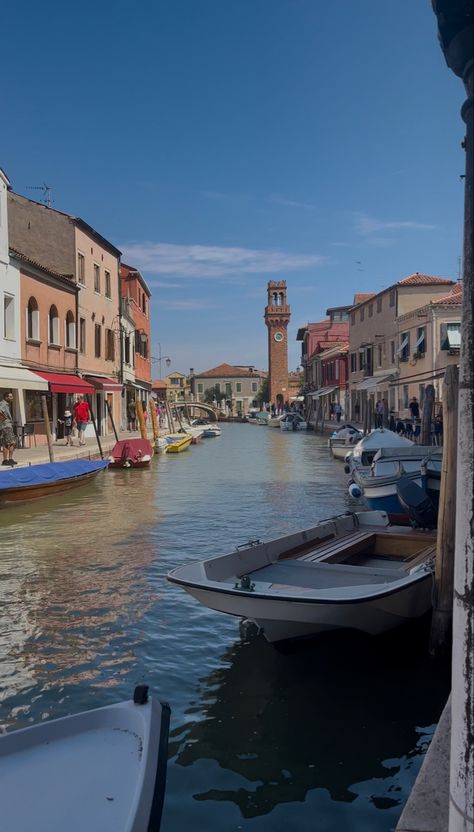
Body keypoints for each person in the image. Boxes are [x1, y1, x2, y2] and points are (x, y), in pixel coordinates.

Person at [0, 391, 17, 466]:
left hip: (7, 425)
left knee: (9, 443)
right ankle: (6, 460)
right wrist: (4, 419)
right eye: (10, 397)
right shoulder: (3, 403)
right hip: (6, 426)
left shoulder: (6, 404)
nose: (12, 398)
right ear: (6, 397)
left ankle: (9, 459)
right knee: (9, 443)